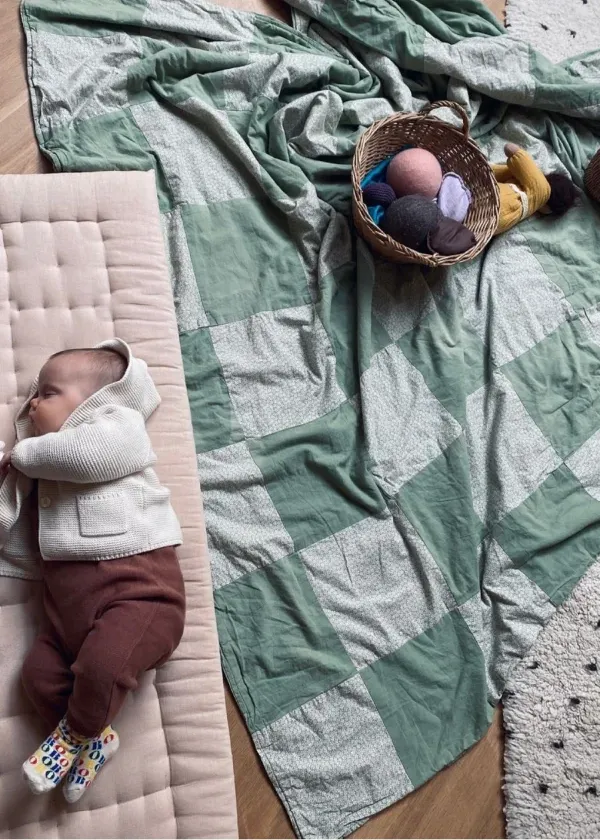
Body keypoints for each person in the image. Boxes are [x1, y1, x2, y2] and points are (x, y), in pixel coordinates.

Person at [0, 339, 185, 802]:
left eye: (47, 391)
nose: (32, 402)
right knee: (38, 677)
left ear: (92, 402)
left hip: (141, 598)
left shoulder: (116, 426)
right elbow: (10, 519)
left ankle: (70, 738)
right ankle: (94, 737)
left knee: (102, 666)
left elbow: (85, 458)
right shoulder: (41, 466)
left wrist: (22, 454)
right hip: (66, 622)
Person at [492, 142, 578, 235]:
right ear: (549, 211)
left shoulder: (543, 189)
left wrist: (516, 153)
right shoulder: (532, 203)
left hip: (494, 199)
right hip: (493, 224)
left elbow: (518, 157)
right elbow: (502, 172)